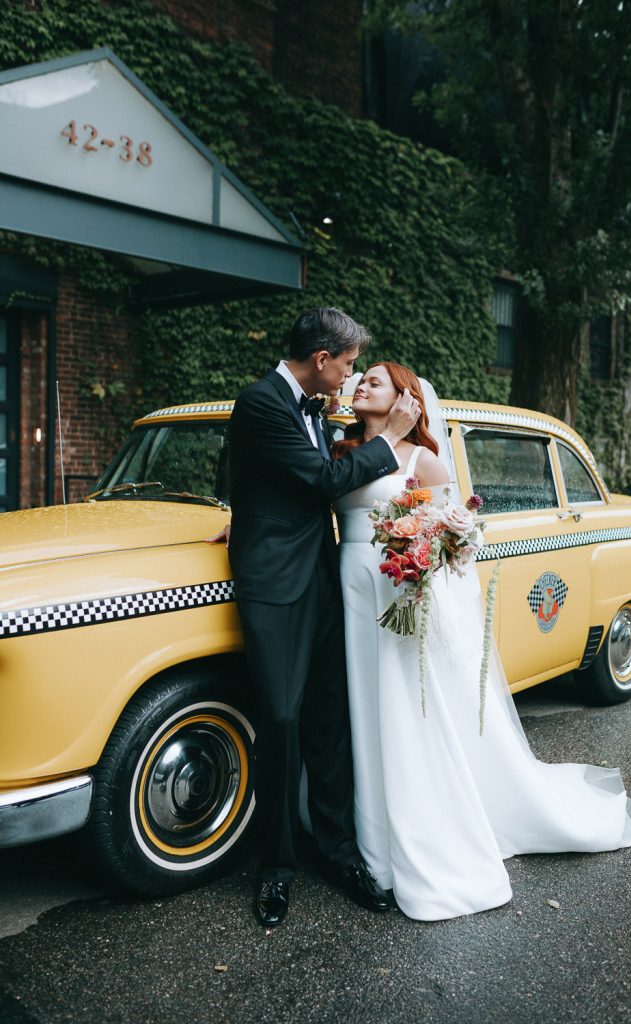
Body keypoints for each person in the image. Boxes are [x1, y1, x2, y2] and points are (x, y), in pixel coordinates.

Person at [334, 361, 631, 921]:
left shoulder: (421, 458)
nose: (360, 386)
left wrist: (429, 548)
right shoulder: (340, 449)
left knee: (403, 710)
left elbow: (458, 535)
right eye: (359, 380)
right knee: (359, 704)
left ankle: (412, 832)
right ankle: (361, 827)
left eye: (373, 381)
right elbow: (312, 501)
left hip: (398, 594)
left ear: (405, 398)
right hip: (351, 590)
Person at [209, 309, 421, 927]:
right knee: (280, 719)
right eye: (350, 363)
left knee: (330, 718)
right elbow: (320, 479)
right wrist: (387, 442)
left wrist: (246, 507)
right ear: (323, 359)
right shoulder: (261, 401)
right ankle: (275, 868)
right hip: (274, 585)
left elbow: (267, 477)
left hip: (326, 579)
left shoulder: (317, 408)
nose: (352, 374)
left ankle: (338, 852)